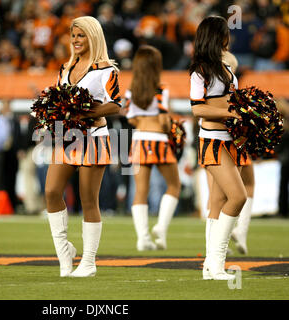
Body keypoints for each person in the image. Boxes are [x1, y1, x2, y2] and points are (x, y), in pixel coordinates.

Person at [44, 16, 121, 277]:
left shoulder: (106, 69)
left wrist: (86, 111)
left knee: (89, 199)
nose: (76, 40)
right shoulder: (65, 68)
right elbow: (57, 100)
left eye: (82, 35)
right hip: (66, 138)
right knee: (52, 191)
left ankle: (88, 262)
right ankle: (64, 252)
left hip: (94, 138)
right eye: (73, 35)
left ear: (93, 37)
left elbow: (116, 104)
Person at [190, 16, 249, 280]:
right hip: (212, 141)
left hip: (229, 140)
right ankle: (216, 263)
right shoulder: (200, 70)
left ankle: (208, 267)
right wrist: (231, 113)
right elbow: (198, 108)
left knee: (218, 201)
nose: (229, 38)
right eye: (226, 33)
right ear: (219, 37)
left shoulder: (227, 69)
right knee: (238, 197)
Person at [124, 45, 180, 251]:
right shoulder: (161, 89)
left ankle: (143, 238)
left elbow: (132, 120)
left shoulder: (132, 91)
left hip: (139, 140)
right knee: (174, 185)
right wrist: (171, 126)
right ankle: (161, 227)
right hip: (158, 140)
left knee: (140, 191)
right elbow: (165, 121)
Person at [205, 51, 255, 255]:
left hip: (222, 142)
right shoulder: (220, 86)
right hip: (222, 143)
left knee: (217, 198)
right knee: (241, 190)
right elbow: (200, 111)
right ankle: (232, 238)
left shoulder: (215, 83)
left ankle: (214, 253)